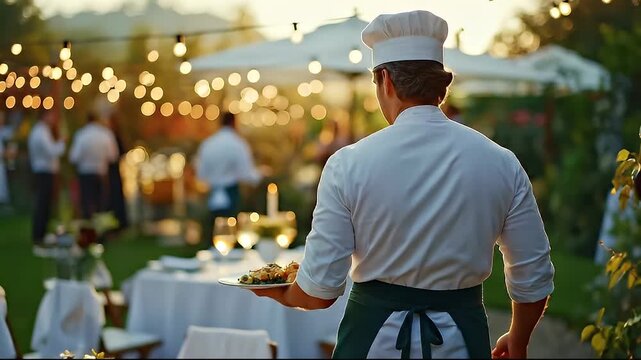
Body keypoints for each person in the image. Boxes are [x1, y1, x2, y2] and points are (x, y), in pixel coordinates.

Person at [249, 10, 554, 359]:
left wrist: (280, 292)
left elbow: (319, 291)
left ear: (386, 81)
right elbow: (533, 276)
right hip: (462, 342)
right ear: (442, 86)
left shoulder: (348, 165)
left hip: (370, 343)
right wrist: (518, 339)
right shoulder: (502, 163)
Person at [195, 112, 262, 244]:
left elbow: (201, 174)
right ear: (234, 123)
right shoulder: (237, 144)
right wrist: (261, 175)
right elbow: (247, 174)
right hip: (231, 193)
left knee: (213, 235)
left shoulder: (208, 144)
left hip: (212, 194)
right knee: (231, 235)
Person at [69, 113, 118, 219]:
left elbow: (74, 157)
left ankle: (88, 230)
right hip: (101, 173)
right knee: (101, 204)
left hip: (85, 173)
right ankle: (100, 230)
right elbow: (113, 156)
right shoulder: (106, 134)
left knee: (87, 204)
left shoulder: (81, 135)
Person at [28, 110, 66, 244]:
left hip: (44, 172)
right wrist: (61, 143)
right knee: (43, 204)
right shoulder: (40, 133)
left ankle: (42, 233)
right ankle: (40, 234)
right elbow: (52, 151)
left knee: (45, 203)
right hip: (44, 172)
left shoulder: (40, 131)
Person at [106, 114, 129, 230]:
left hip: (113, 170)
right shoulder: (111, 135)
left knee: (115, 196)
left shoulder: (112, 136)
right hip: (111, 171)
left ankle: (119, 222)